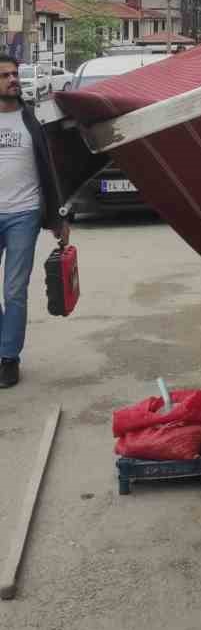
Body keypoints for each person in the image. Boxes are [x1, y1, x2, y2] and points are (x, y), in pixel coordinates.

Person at [0, 55, 69, 388]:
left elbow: (49, 170)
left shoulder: (31, 122)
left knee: (14, 291)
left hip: (23, 216)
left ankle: (8, 359)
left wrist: (58, 216)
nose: (12, 79)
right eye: (5, 75)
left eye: (14, 74)